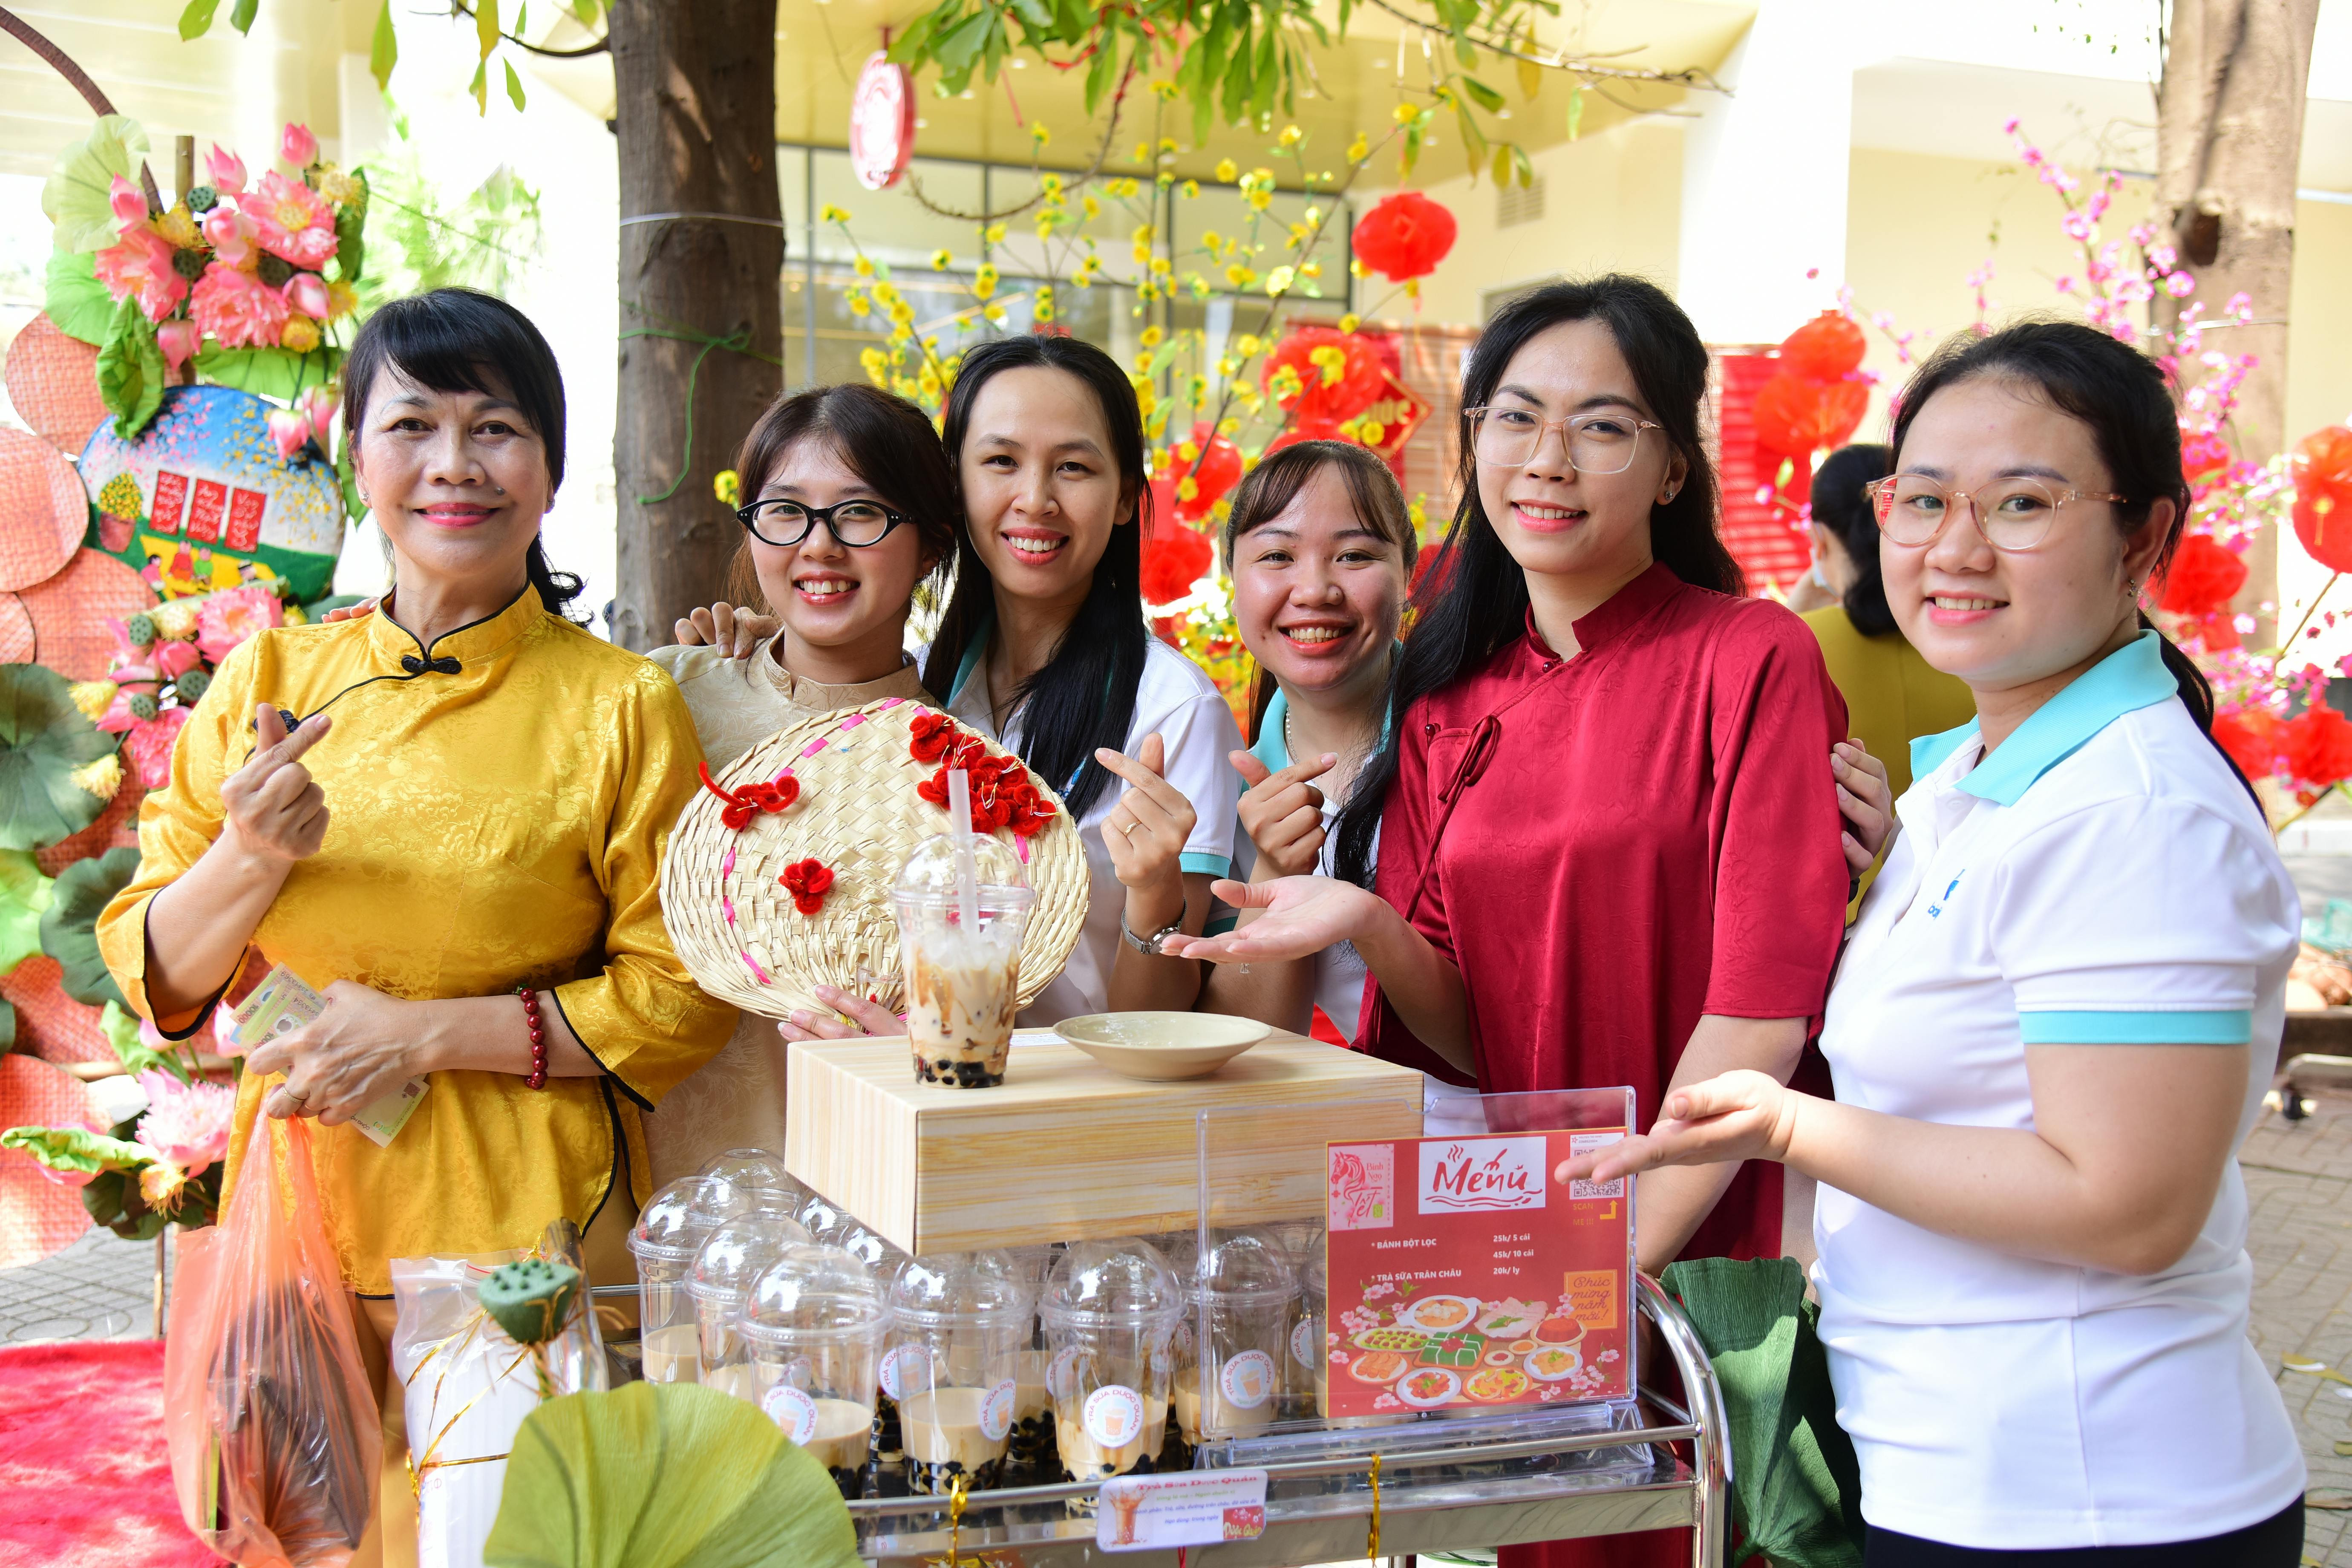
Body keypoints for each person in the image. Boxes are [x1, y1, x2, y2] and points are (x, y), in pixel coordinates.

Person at [1559, 320, 2306, 1565]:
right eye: (1919, 498)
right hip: (1959, 1475)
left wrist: (1791, 1124)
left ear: (2145, 538)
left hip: (2094, 1500)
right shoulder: (1975, 778)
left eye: (2021, 500)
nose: (1954, 547)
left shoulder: (2135, 814)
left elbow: (2128, 1204)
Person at [95, 288, 734, 1567]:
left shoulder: (619, 704)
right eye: (414, 425)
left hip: (527, 1230)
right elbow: (154, 968)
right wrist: (249, 852)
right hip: (303, 1221)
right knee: (309, 1539)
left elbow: (678, 992)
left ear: (550, 469)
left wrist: (418, 1032)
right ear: (357, 458)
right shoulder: (269, 680)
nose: (454, 463)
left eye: (496, 427)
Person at [740, 334, 1241, 1038]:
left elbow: (1155, 1032)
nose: (1035, 500)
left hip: (1061, 1122)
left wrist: (1154, 893)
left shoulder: (1174, 713)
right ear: (955, 486)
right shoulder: (919, 686)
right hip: (906, 1097)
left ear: (1126, 496)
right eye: (1001, 461)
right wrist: (741, 647)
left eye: (1074, 468)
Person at [639, 383, 957, 1184]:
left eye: (860, 513)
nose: (819, 546)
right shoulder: (663, 695)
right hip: (646, 1199)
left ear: (930, 547)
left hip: (850, 1205)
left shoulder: (966, 775)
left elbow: (966, 1045)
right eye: (785, 511)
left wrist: (921, 1055)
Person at [1196, 439, 1414, 1043]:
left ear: (1408, 577)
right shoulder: (1238, 786)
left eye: (1353, 555)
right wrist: (1274, 867)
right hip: (1388, 1118)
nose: (1315, 588)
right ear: (1231, 581)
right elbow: (1253, 1043)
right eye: (1277, 557)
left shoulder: (1468, 737)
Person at [1793, 442, 1977, 801]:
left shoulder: (1801, 643)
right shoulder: (1969, 629)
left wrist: (1791, 618)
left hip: (1848, 854)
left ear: (1819, 538)